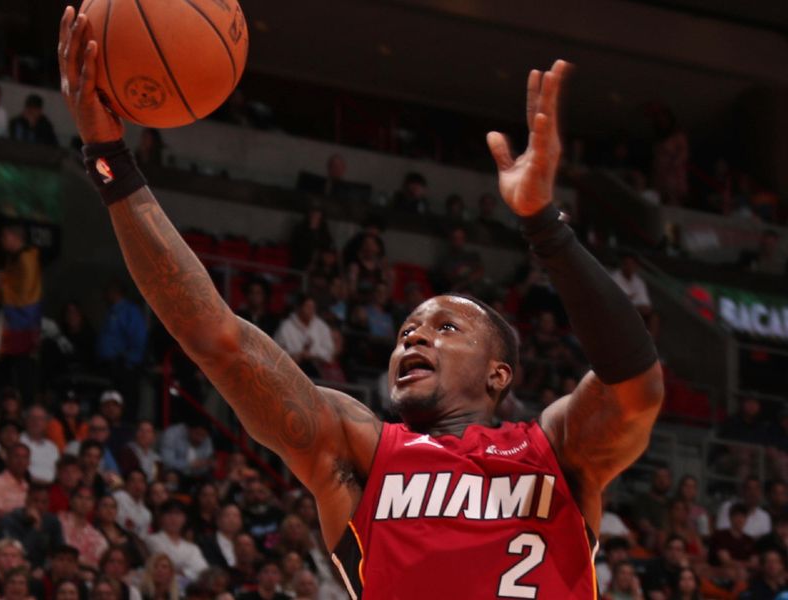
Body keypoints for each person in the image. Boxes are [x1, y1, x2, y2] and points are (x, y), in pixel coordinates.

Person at [60, 36, 662, 597]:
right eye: (406, 332)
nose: (415, 335)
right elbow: (217, 340)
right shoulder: (361, 452)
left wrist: (543, 226)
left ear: (499, 374)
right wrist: (109, 159)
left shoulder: (555, 450)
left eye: (445, 328)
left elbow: (636, 386)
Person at [0, 224, 42, 403]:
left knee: (22, 369)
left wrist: (2, 287)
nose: (1, 240)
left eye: (4, 236)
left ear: (15, 238)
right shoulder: (13, 258)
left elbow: (25, 294)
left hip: (23, 322)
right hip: (13, 321)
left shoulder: (27, 258)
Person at [96, 281, 147, 420]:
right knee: (109, 400)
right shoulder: (111, 311)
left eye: (108, 291)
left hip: (124, 365)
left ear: (116, 292)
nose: (106, 295)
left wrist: (129, 361)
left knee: (124, 400)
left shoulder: (130, 311)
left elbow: (138, 338)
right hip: (108, 365)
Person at [0, 483, 64, 569]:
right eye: (35, 501)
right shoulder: (9, 521)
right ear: (26, 501)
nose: (39, 506)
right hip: (15, 567)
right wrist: (35, 528)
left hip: (42, 569)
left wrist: (45, 569)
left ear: (48, 504)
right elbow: (18, 553)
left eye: (44, 502)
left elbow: (60, 551)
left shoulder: (52, 521)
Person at [145, 500, 208, 585]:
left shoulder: (192, 547)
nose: (173, 518)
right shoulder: (152, 540)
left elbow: (203, 570)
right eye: (169, 514)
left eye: (178, 514)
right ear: (161, 518)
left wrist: (184, 572)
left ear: (184, 518)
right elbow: (168, 564)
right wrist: (188, 570)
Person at [273, 296, 334, 377]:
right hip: (291, 370)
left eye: (313, 307)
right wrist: (297, 355)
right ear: (299, 308)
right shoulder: (286, 327)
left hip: (319, 370)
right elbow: (276, 351)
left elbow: (329, 353)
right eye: (308, 307)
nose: (311, 310)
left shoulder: (322, 326)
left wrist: (311, 354)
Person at [58, 486, 108, 568]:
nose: (84, 502)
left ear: (93, 505)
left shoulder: (97, 538)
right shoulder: (58, 520)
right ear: (71, 501)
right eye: (80, 497)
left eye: (89, 499)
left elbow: (95, 566)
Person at [0, 443, 30, 517]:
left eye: (24, 457)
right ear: (7, 460)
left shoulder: (27, 485)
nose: (20, 461)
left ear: (29, 462)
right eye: (16, 456)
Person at [20, 405, 60, 484]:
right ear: (26, 420)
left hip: (51, 489)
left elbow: (57, 472)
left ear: (46, 423)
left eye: (40, 419)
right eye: (32, 418)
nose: (36, 422)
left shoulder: (52, 447)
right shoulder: (18, 441)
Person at [113, 469, 151, 537]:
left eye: (141, 481)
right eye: (133, 481)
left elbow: (142, 538)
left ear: (145, 486)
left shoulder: (147, 513)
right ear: (126, 484)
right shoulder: (118, 498)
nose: (137, 485)